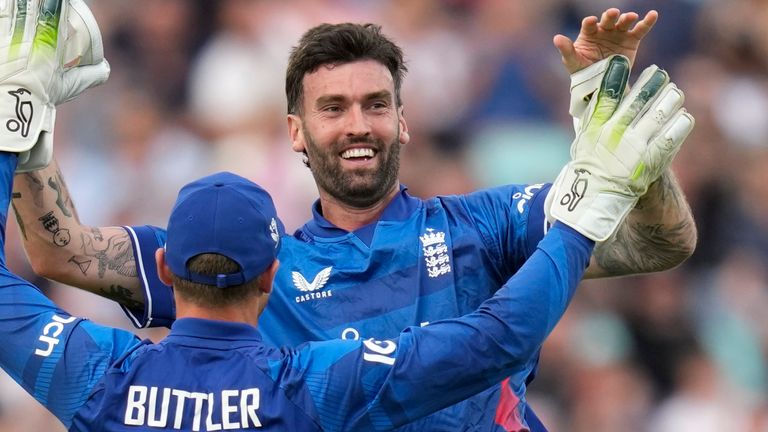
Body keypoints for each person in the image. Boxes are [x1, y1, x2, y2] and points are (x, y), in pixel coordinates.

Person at [11, 4, 696, 432]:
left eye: (375, 103)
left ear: (403, 120)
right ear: (296, 131)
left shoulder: (484, 224)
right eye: (332, 107)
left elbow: (659, 242)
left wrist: (625, 137)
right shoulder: (248, 257)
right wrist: (31, 118)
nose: (357, 124)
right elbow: (60, 253)